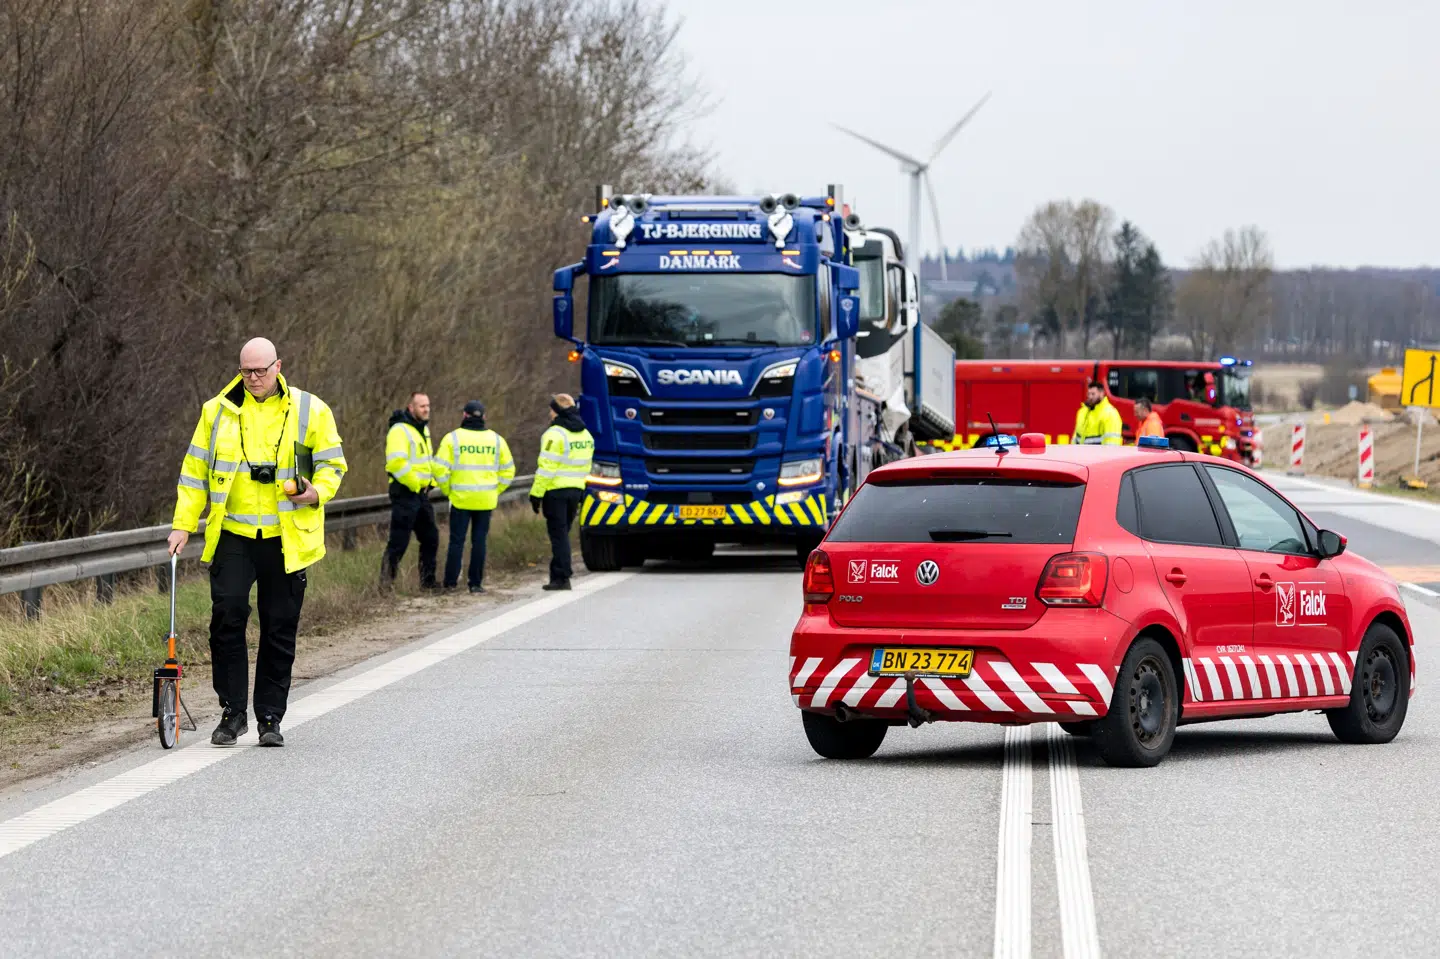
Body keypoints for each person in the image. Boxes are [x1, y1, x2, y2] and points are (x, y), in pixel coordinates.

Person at [167, 337, 347, 747]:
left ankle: (269, 717)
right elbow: (194, 473)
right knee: (227, 618)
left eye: (261, 371)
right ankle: (232, 714)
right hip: (234, 533)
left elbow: (333, 463)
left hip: (287, 537)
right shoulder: (217, 411)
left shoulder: (309, 408)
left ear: (278, 366)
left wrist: (316, 492)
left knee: (279, 627)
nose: (253, 378)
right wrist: (182, 524)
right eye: (246, 371)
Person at [434, 400, 514, 593]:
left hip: (461, 498)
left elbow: (438, 469)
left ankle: (451, 583)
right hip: (485, 499)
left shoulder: (452, 439)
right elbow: (508, 470)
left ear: (464, 415)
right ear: (484, 417)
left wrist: (448, 490)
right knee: (479, 541)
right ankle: (476, 583)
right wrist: (495, 490)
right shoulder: (496, 440)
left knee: (457, 541)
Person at [530, 394, 594, 591]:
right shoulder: (585, 434)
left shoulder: (554, 434)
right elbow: (587, 465)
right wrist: (582, 488)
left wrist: (536, 494)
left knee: (559, 536)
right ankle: (557, 574)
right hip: (576, 491)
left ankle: (562, 577)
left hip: (556, 491)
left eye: (551, 409)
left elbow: (546, 467)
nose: (549, 413)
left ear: (556, 411)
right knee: (563, 534)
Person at [381, 391, 439, 590]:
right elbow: (397, 464)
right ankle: (385, 585)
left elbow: (425, 462)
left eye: (428, 405)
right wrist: (417, 484)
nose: (426, 409)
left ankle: (428, 582)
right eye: (422, 406)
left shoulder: (422, 429)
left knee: (431, 538)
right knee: (398, 542)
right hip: (405, 493)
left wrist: (430, 482)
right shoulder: (400, 430)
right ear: (411, 407)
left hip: (421, 494)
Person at [1073, 380, 1124, 446]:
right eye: (1088, 394)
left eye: (1093, 394)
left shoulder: (1110, 413)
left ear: (1101, 393)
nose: (1090, 397)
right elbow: (1075, 437)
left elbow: (1112, 443)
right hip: (1081, 455)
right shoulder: (1082, 412)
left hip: (1099, 456)